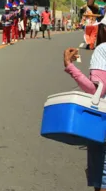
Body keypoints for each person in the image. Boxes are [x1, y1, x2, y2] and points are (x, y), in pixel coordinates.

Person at [63, 17, 106, 191]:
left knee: (102, 181)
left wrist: (70, 66)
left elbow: (96, 90)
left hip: (103, 127)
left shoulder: (103, 50)